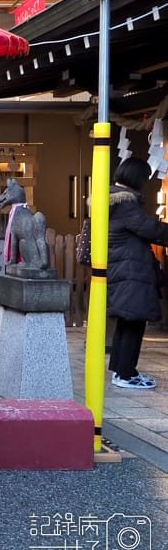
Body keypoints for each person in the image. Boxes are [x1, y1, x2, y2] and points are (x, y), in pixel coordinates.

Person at [107, 156, 167, 390]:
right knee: (133, 322)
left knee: (128, 320)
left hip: (125, 267)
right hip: (130, 269)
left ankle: (121, 371)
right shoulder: (125, 204)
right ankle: (126, 374)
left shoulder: (115, 200)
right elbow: (151, 229)